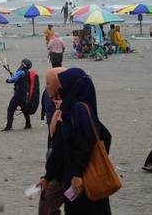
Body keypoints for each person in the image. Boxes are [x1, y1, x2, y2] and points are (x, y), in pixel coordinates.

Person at [49, 68, 113, 214]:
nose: (60, 88)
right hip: (82, 177)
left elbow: (85, 142)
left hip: (81, 181)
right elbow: (105, 136)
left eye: (62, 84)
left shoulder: (78, 109)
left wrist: (78, 173)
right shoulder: (80, 108)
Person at [39, 67, 67, 215]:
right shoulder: (58, 107)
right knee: (46, 204)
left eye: (49, 83)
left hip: (72, 175)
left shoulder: (72, 111)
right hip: (58, 172)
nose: (46, 86)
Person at [2, 59, 33, 131]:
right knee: (24, 109)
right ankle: (28, 124)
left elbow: (14, 79)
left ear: (23, 65)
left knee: (10, 109)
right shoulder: (27, 72)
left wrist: (8, 80)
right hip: (24, 95)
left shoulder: (21, 72)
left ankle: (9, 126)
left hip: (18, 95)